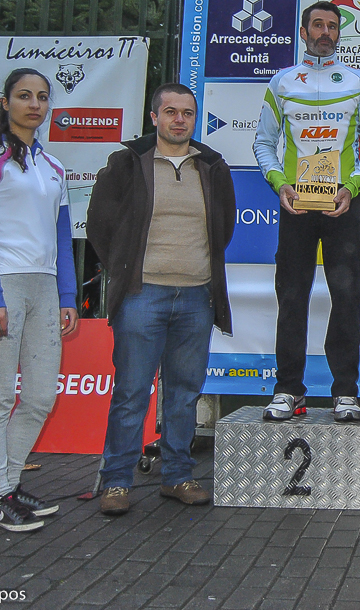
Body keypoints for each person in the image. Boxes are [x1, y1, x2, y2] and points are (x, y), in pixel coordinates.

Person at [88, 83, 236, 515]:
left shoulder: (212, 166)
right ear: (154, 117)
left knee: (184, 394)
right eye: (170, 112)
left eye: (187, 113)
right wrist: (125, 269)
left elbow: (224, 226)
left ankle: (177, 476)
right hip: (142, 295)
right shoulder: (126, 163)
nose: (179, 120)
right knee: (131, 393)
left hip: (197, 297)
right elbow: (100, 224)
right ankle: (116, 482)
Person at [253, 1, 360, 421]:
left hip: (340, 205)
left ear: (339, 33)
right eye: (318, 25)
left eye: (332, 26)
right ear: (304, 32)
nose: (325, 32)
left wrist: (353, 186)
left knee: (346, 297)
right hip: (296, 205)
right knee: (291, 297)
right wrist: (280, 183)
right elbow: (263, 142)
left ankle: (345, 391)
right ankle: (289, 389)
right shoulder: (281, 82)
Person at [0, 67, 78, 531]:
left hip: (44, 288)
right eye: (25, 95)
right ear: (6, 102)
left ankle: (9, 484)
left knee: (41, 396)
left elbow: (62, 237)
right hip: (1, 286)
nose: (35, 104)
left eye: (42, 97)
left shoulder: (54, 166)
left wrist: (67, 294)